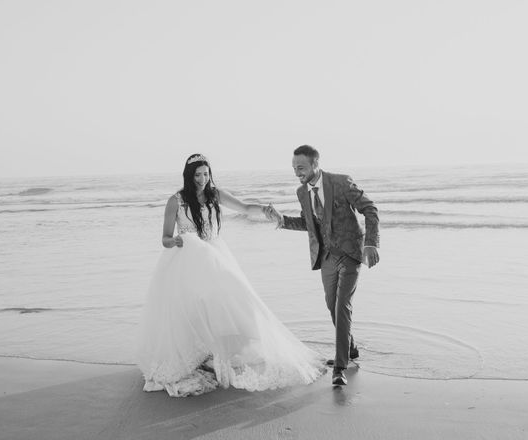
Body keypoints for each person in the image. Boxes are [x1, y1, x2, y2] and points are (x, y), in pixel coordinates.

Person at [137, 153, 326, 397]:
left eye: (206, 174)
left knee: (235, 298)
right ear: (189, 175)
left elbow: (245, 207)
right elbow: (164, 238)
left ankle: (222, 351)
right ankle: (201, 354)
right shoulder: (176, 201)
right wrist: (174, 240)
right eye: (198, 174)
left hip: (215, 256)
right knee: (193, 308)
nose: (203, 179)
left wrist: (266, 209)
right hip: (188, 258)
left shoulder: (215, 194)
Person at [265, 145, 379, 387]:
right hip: (326, 257)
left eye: (301, 167)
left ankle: (340, 366)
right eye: (294, 168)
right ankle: (350, 348)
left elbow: (370, 209)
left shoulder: (340, 182)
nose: (297, 172)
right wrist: (282, 220)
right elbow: (309, 224)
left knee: (342, 306)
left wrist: (371, 244)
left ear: (315, 164)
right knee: (331, 304)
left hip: (349, 253)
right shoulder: (301, 192)